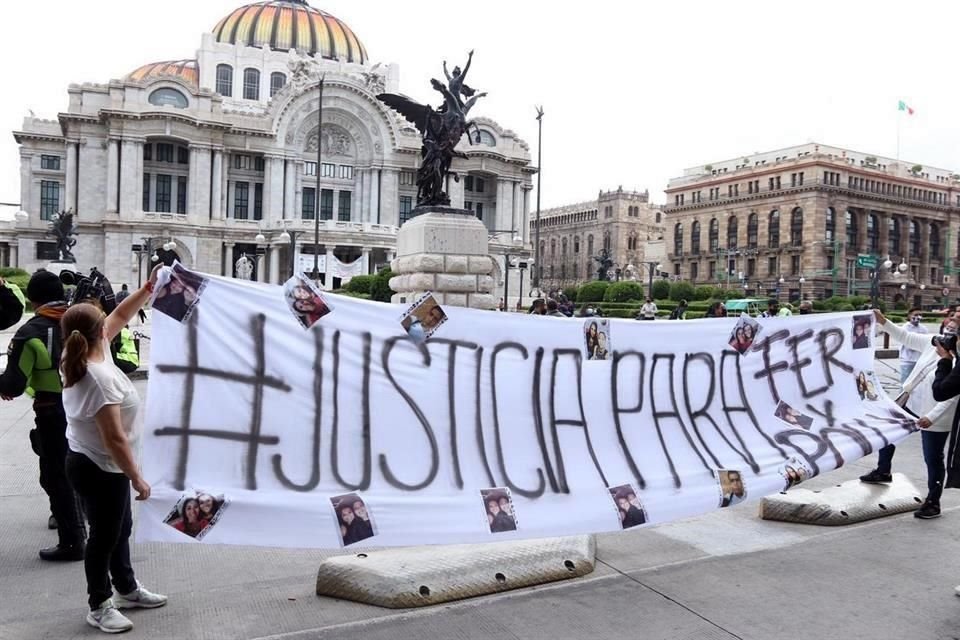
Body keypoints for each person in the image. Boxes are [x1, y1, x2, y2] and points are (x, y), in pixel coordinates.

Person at [60, 266, 167, 633]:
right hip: (99, 466)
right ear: (97, 331)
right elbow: (114, 439)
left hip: (102, 464)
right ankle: (99, 604)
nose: (111, 320)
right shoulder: (97, 379)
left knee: (119, 529)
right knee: (103, 538)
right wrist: (138, 478)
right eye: (103, 319)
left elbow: (122, 314)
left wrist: (149, 287)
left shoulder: (87, 351)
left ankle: (126, 588)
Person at [0, 270, 86, 561]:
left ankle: (73, 541)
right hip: (89, 408)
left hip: (53, 411)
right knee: (89, 466)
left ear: (33, 300)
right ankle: (89, 523)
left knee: (56, 475)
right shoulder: (84, 321)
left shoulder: (31, 331)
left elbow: (13, 384)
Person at [861, 310, 959, 520]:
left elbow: (951, 396)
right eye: (946, 330)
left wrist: (931, 417)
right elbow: (905, 337)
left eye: (952, 333)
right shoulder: (932, 345)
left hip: (935, 416)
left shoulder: (956, 360)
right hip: (910, 402)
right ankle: (883, 470)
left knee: (932, 458)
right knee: (888, 434)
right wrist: (883, 321)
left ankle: (933, 501)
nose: (946, 336)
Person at [899, 308, 928, 383]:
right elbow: (907, 344)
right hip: (907, 360)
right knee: (905, 383)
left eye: (920, 315)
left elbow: (926, 343)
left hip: (919, 360)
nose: (918, 317)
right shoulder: (905, 328)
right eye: (915, 315)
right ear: (909, 316)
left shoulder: (924, 329)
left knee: (917, 383)